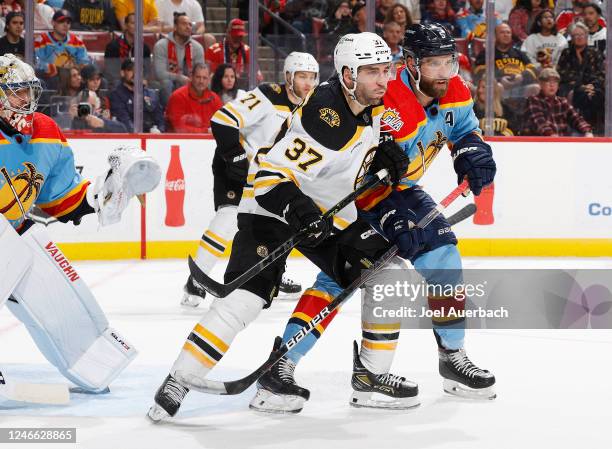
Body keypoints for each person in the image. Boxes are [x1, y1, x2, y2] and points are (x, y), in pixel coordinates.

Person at [148, 34, 407, 422]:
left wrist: (383, 160)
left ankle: (370, 377)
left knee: (388, 276)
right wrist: (300, 211)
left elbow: (359, 151)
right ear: (348, 74)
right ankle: (178, 381)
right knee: (243, 302)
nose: (383, 80)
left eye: (386, 70)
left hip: (330, 214)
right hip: (272, 209)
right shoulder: (325, 116)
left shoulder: (371, 102)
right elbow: (269, 179)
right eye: (373, 72)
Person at [250, 22, 497, 414]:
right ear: (411, 63)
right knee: (348, 274)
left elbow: (465, 130)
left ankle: (451, 358)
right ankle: (311, 368)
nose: (444, 73)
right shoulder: (385, 96)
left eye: (448, 62)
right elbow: (358, 164)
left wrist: (472, 152)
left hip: (402, 192)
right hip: (360, 196)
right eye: (433, 64)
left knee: (442, 261)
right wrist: (391, 211)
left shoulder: (456, 89)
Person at [0, 54, 159, 399]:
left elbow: (63, 201)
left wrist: (107, 191)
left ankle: (93, 361)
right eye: (16, 92)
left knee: (38, 255)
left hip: (11, 234)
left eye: (29, 91)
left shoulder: (44, 132)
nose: (26, 100)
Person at [179, 52, 321, 309]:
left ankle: (272, 270)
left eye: (312, 77)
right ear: (289, 77)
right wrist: (236, 158)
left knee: (274, 224)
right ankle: (195, 280)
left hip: (264, 177)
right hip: (233, 165)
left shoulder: (310, 108)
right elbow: (222, 120)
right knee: (227, 219)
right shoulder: (269, 95)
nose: (308, 83)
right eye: (302, 76)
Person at [556, 22, 605, 133]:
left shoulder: (595, 52)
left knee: (597, 94)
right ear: (571, 38)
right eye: (575, 35)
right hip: (571, 86)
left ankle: (597, 129)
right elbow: (562, 73)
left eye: (582, 35)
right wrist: (581, 85)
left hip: (593, 86)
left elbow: (600, 73)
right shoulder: (566, 52)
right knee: (579, 93)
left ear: (587, 36)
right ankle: (579, 128)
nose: (579, 38)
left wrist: (592, 86)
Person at [473, 23, 539, 99]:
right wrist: (500, 80)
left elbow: (533, 70)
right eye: (502, 32)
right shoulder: (487, 54)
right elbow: (480, 74)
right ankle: (498, 110)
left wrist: (522, 77)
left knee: (535, 88)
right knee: (499, 87)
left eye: (508, 32)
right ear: (495, 36)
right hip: (498, 88)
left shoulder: (519, 53)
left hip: (520, 86)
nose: (506, 35)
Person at [524, 67, 594, 136]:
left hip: (561, 143)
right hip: (541, 144)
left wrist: (587, 131)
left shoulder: (563, 101)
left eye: (555, 81)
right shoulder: (533, 100)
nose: (552, 85)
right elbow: (539, 122)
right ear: (540, 84)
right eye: (548, 81)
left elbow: (576, 118)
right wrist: (551, 135)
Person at [153, 11, 205, 104]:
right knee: (166, 83)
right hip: (169, 84)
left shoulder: (197, 47)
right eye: (184, 24)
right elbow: (159, 73)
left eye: (190, 24)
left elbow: (202, 71)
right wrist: (179, 78)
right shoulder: (161, 45)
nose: (188, 27)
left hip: (190, 82)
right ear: (175, 27)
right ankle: (169, 113)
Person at [34, 10, 91, 91]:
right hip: (51, 77)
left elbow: (84, 62)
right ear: (53, 22)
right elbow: (36, 62)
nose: (65, 25)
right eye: (61, 21)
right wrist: (55, 68)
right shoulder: (41, 40)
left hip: (73, 75)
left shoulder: (77, 41)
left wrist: (76, 67)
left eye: (68, 22)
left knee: (97, 79)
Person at [109, 58, 165, 132]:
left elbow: (160, 121)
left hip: (153, 139)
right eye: (131, 70)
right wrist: (140, 136)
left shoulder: (152, 94)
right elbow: (124, 121)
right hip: (130, 140)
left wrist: (159, 132)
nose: (136, 73)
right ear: (122, 73)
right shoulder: (116, 95)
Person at [165, 63, 222, 133]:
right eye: (198, 77)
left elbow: (223, 124)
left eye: (205, 78)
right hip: (181, 141)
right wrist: (206, 131)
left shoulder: (214, 99)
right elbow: (178, 128)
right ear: (191, 77)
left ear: (209, 79)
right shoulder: (178, 96)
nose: (201, 81)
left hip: (209, 142)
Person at [103, 12, 153, 88]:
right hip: (119, 81)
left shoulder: (144, 48)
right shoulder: (113, 46)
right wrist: (129, 79)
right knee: (116, 83)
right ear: (126, 25)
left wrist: (143, 79)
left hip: (138, 80)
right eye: (133, 23)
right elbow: (111, 72)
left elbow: (147, 71)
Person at [205, 18, 261, 83]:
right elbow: (207, 78)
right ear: (227, 33)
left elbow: (258, 78)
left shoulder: (248, 51)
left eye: (240, 37)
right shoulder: (213, 51)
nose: (237, 39)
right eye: (234, 36)